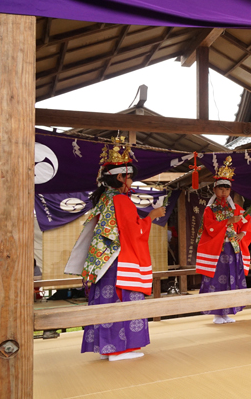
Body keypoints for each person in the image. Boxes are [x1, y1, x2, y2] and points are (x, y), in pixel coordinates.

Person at [64, 136, 165, 361]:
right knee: (122, 301)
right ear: (120, 177)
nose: (130, 182)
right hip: (120, 261)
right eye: (128, 177)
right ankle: (119, 348)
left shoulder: (104, 199)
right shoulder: (120, 200)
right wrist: (151, 217)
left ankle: (106, 346)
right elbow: (134, 233)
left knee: (105, 301)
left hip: (104, 262)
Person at [196, 156, 251, 324]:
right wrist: (229, 222)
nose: (223, 192)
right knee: (216, 280)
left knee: (232, 279)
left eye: (227, 189)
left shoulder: (236, 208)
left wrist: (242, 234)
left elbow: (246, 223)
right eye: (220, 189)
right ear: (214, 190)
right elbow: (210, 227)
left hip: (233, 249)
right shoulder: (210, 210)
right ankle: (217, 313)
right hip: (218, 250)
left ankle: (227, 312)